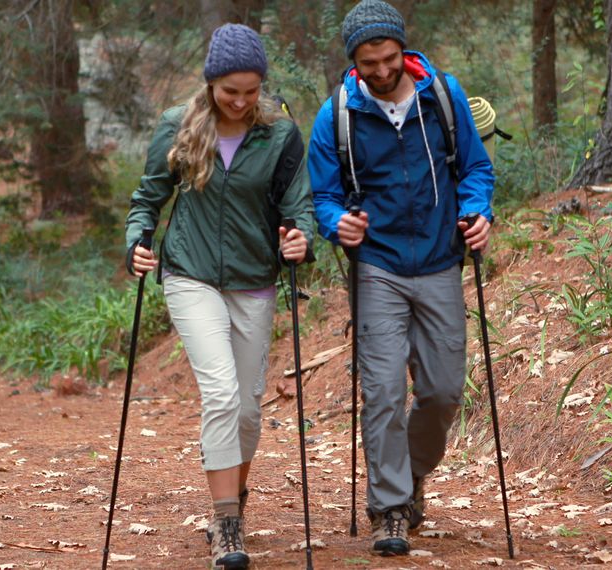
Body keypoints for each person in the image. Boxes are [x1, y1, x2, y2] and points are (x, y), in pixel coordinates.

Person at [307, 0, 495, 557]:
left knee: (442, 391)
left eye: (389, 59)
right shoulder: (336, 113)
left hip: (440, 258)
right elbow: (322, 195)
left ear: (403, 51)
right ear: (354, 62)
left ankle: (410, 475)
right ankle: (389, 507)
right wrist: (335, 223)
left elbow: (476, 168)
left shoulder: (442, 95)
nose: (383, 72)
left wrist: (477, 212)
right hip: (378, 267)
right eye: (370, 64)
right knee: (384, 391)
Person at [124, 23, 315, 570]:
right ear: (210, 83)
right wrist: (136, 242)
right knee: (223, 395)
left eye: (251, 90)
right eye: (230, 90)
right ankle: (225, 521)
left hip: (255, 278)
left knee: (250, 411)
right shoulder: (176, 127)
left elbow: (296, 205)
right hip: (191, 274)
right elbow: (147, 199)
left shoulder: (279, 132)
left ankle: (235, 494)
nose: (240, 101)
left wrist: (300, 237)